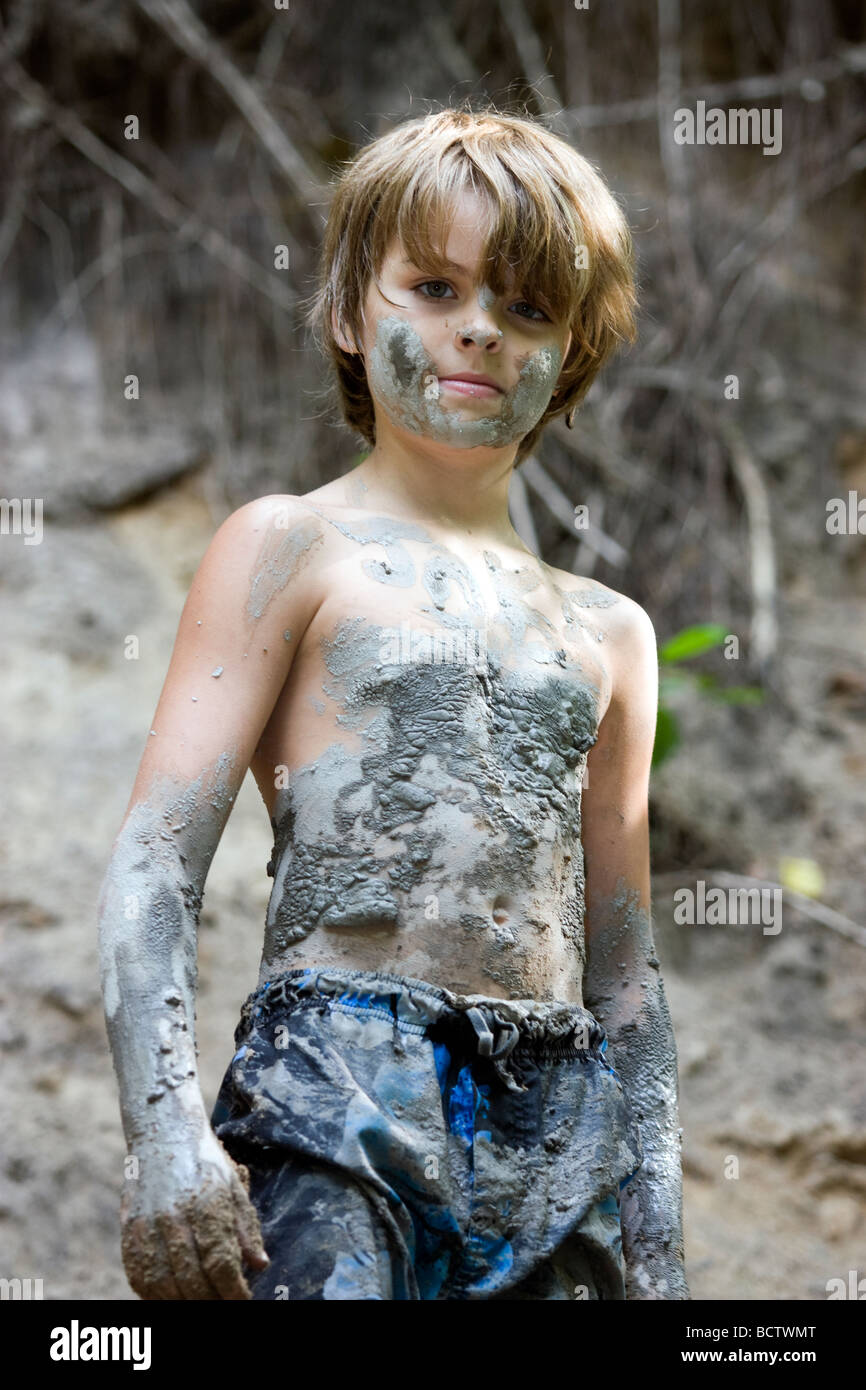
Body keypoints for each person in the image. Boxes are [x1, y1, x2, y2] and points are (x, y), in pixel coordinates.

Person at [98, 104, 689, 1300]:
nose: (477, 328)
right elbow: (157, 861)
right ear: (344, 310)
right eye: (433, 285)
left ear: (569, 354)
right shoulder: (288, 546)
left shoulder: (608, 632)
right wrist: (164, 1136)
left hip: (557, 1126)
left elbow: (623, 972)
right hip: (332, 1083)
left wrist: (658, 1244)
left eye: (526, 306)